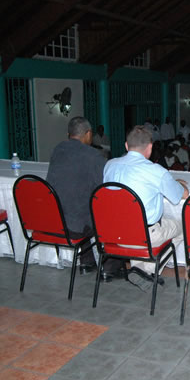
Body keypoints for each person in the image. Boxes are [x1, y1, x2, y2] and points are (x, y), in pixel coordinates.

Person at [103, 125, 189, 291]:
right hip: (144, 237)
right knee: (184, 226)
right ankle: (147, 270)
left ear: (126, 146)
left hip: (113, 234)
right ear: (150, 148)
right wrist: (176, 183)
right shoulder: (155, 171)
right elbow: (181, 195)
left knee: (136, 221)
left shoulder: (110, 165)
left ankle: (140, 270)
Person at [47, 116, 121, 281]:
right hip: (76, 224)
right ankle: (110, 268)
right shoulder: (93, 155)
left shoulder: (57, 150)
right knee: (113, 212)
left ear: (69, 134)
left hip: (56, 221)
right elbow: (105, 188)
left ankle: (87, 262)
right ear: (88, 134)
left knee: (79, 206)